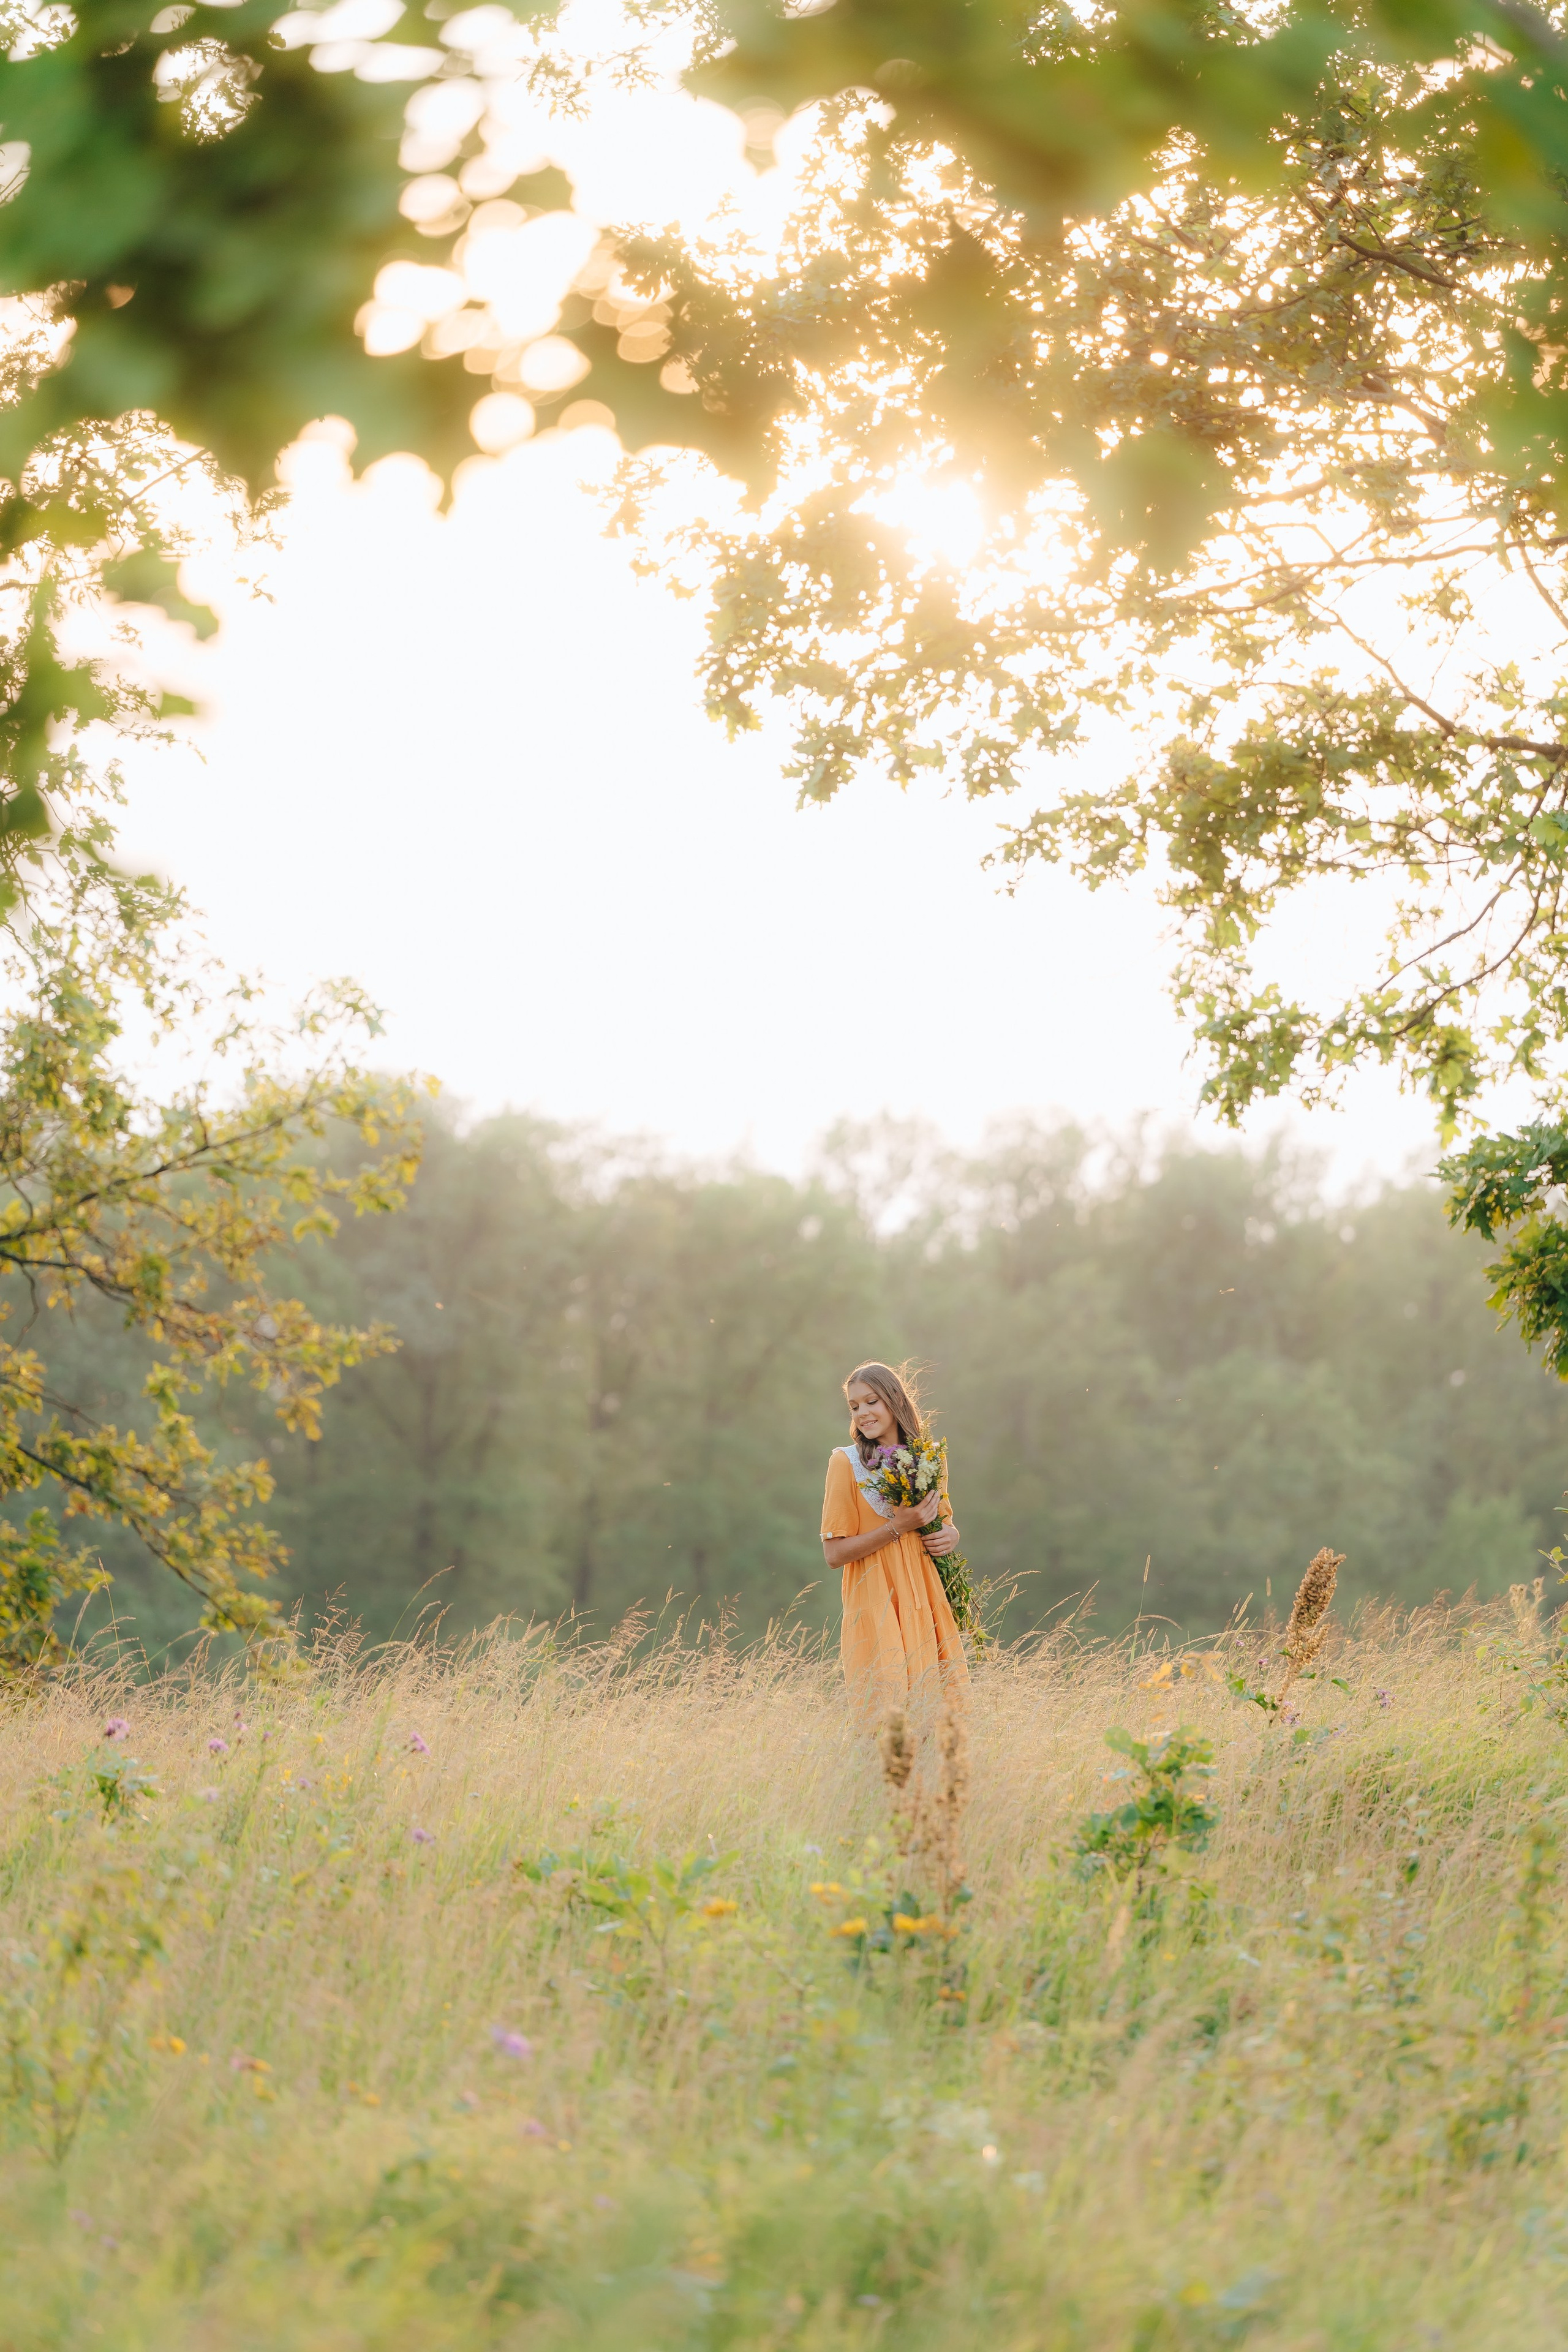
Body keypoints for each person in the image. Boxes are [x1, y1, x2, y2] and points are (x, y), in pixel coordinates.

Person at [820, 1360, 970, 1720]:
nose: (862, 1413)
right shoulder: (846, 1463)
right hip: (877, 1604)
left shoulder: (930, 1457)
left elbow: (945, 1524)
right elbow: (833, 1554)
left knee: (940, 1720)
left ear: (895, 1400)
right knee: (887, 1720)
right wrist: (897, 1527)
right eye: (855, 1407)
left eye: (871, 1402)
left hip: (927, 1601)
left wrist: (951, 1536)